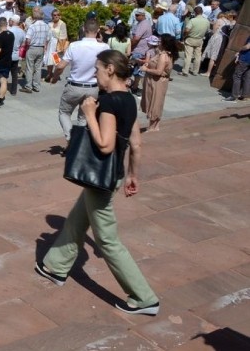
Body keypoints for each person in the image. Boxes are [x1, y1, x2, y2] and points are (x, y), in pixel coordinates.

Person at [36, 50, 160, 317]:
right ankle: (55, 267)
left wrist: (89, 113)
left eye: (98, 69)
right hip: (112, 175)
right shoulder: (129, 99)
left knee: (107, 241)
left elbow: (105, 144)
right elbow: (136, 143)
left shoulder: (109, 102)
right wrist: (132, 175)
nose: (95, 74)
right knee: (77, 220)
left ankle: (144, 297)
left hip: (100, 176)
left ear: (111, 70)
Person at [50, 19, 110, 146]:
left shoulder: (74, 45)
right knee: (84, 116)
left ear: (84, 29)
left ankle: (70, 136)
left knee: (64, 112)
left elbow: (60, 66)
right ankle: (80, 141)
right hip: (93, 87)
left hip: (74, 86)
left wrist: (55, 78)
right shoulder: (104, 47)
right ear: (98, 30)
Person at [140, 34, 179, 132]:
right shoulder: (165, 53)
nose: (158, 43)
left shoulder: (163, 56)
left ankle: (152, 127)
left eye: (160, 41)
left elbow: (158, 71)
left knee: (155, 103)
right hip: (157, 81)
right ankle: (155, 125)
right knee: (156, 102)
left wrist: (146, 69)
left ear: (164, 43)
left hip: (157, 82)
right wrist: (148, 64)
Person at [21, 7, 49, 93]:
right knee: (38, 68)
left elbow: (28, 39)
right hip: (41, 47)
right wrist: (45, 47)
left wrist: (26, 45)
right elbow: (47, 39)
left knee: (29, 67)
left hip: (32, 47)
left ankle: (28, 86)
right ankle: (36, 86)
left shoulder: (32, 26)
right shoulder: (46, 26)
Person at [179, 6, 209, 76]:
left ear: (195, 13)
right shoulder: (207, 21)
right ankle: (195, 71)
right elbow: (207, 31)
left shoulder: (193, 20)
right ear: (202, 12)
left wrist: (184, 36)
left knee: (188, 56)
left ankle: (185, 71)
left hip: (190, 39)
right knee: (198, 56)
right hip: (199, 40)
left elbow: (187, 30)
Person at [224, 32, 250, 102]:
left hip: (245, 58)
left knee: (237, 76)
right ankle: (244, 95)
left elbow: (248, 46)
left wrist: (241, 48)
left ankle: (234, 96)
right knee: (247, 77)